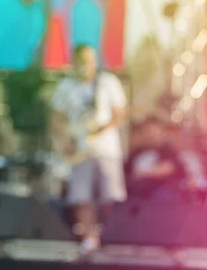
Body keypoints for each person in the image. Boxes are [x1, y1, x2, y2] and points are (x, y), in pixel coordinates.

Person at [50, 44, 127, 254]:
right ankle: (89, 237)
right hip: (80, 150)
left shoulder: (107, 82)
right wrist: (65, 140)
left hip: (106, 149)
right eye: (82, 60)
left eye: (90, 60)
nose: (86, 65)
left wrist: (100, 130)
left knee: (110, 195)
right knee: (80, 196)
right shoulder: (66, 86)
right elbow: (56, 117)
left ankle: (107, 233)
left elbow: (119, 113)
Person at [126, 116, 185, 199]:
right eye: (146, 131)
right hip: (135, 198)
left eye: (152, 131)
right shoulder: (136, 153)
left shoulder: (167, 150)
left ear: (161, 133)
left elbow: (167, 168)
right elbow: (127, 172)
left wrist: (142, 173)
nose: (149, 135)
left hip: (161, 196)